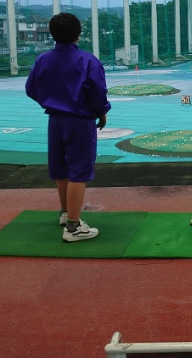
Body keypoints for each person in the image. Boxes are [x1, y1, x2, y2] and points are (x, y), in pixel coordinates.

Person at [25, 13, 111, 243]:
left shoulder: (43, 60)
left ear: (52, 34)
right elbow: (98, 93)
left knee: (61, 169)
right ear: (78, 34)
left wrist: (52, 102)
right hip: (80, 121)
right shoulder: (87, 60)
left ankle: (66, 213)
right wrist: (101, 112)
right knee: (79, 172)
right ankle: (73, 227)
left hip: (55, 120)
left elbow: (31, 89)